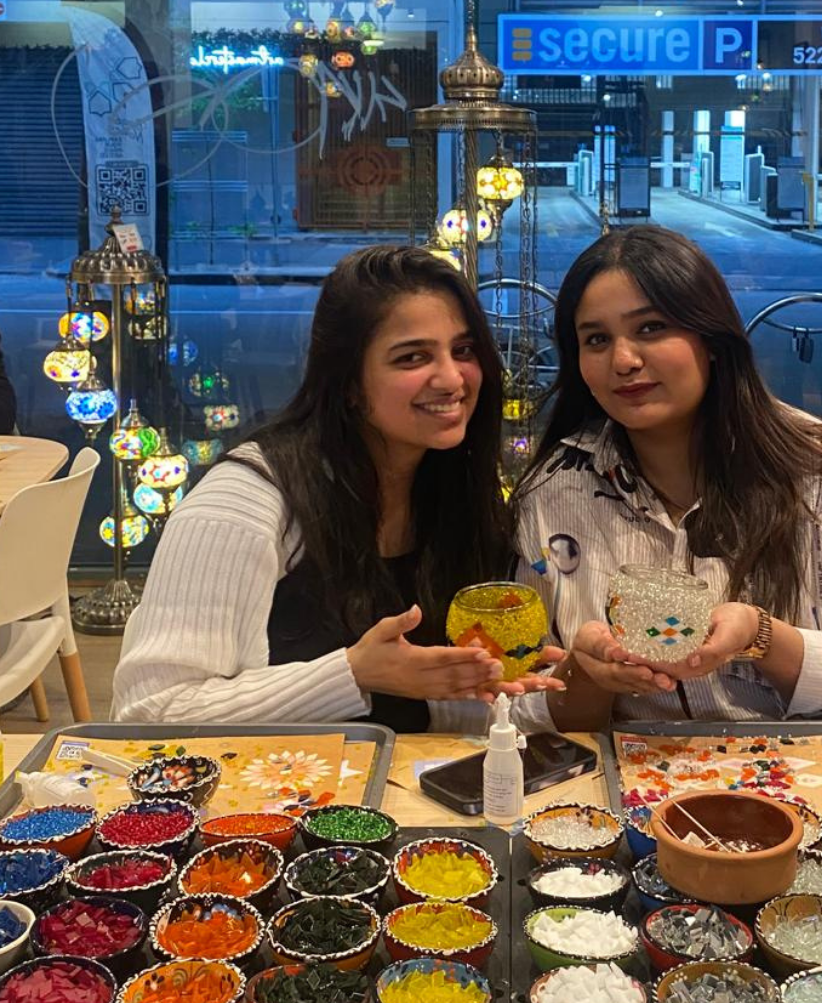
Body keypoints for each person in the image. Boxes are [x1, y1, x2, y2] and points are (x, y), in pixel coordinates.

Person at [113, 246, 562, 731]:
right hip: (273, 779)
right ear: (348, 383)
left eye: (464, 351)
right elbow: (149, 712)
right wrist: (354, 674)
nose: (452, 378)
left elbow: (455, 712)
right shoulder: (244, 501)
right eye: (413, 357)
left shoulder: (452, 489)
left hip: (415, 775)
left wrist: (557, 680)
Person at [511, 225, 822, 730]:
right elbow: (521, 704)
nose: (624, 360)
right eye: (597, 339)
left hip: (801, 769)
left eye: (651, 328)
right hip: (619, 772)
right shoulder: (554, 490)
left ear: (710, 338)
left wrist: (763, 638)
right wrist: (585, 673)